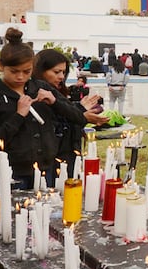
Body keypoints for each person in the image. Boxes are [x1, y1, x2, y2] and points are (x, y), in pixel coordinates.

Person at [0, 28, 81, 269]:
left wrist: (55, 101)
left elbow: (76, 116)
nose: (22, 78)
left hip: (46, 172)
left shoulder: (38, 87)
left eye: (26, 71)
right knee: (8, 238)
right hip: (13, 176)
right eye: (15, 72)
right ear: (1, 68)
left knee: (45, 234)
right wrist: (19, 115)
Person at [33, 49, 106, 177]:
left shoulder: (58, 92)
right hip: (52, 161)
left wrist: (79, 109)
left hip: (69, 157)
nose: (61, 76)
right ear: (41, 71)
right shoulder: (37, 96)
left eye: (63, 72)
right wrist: (81, 114)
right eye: (56, 72)